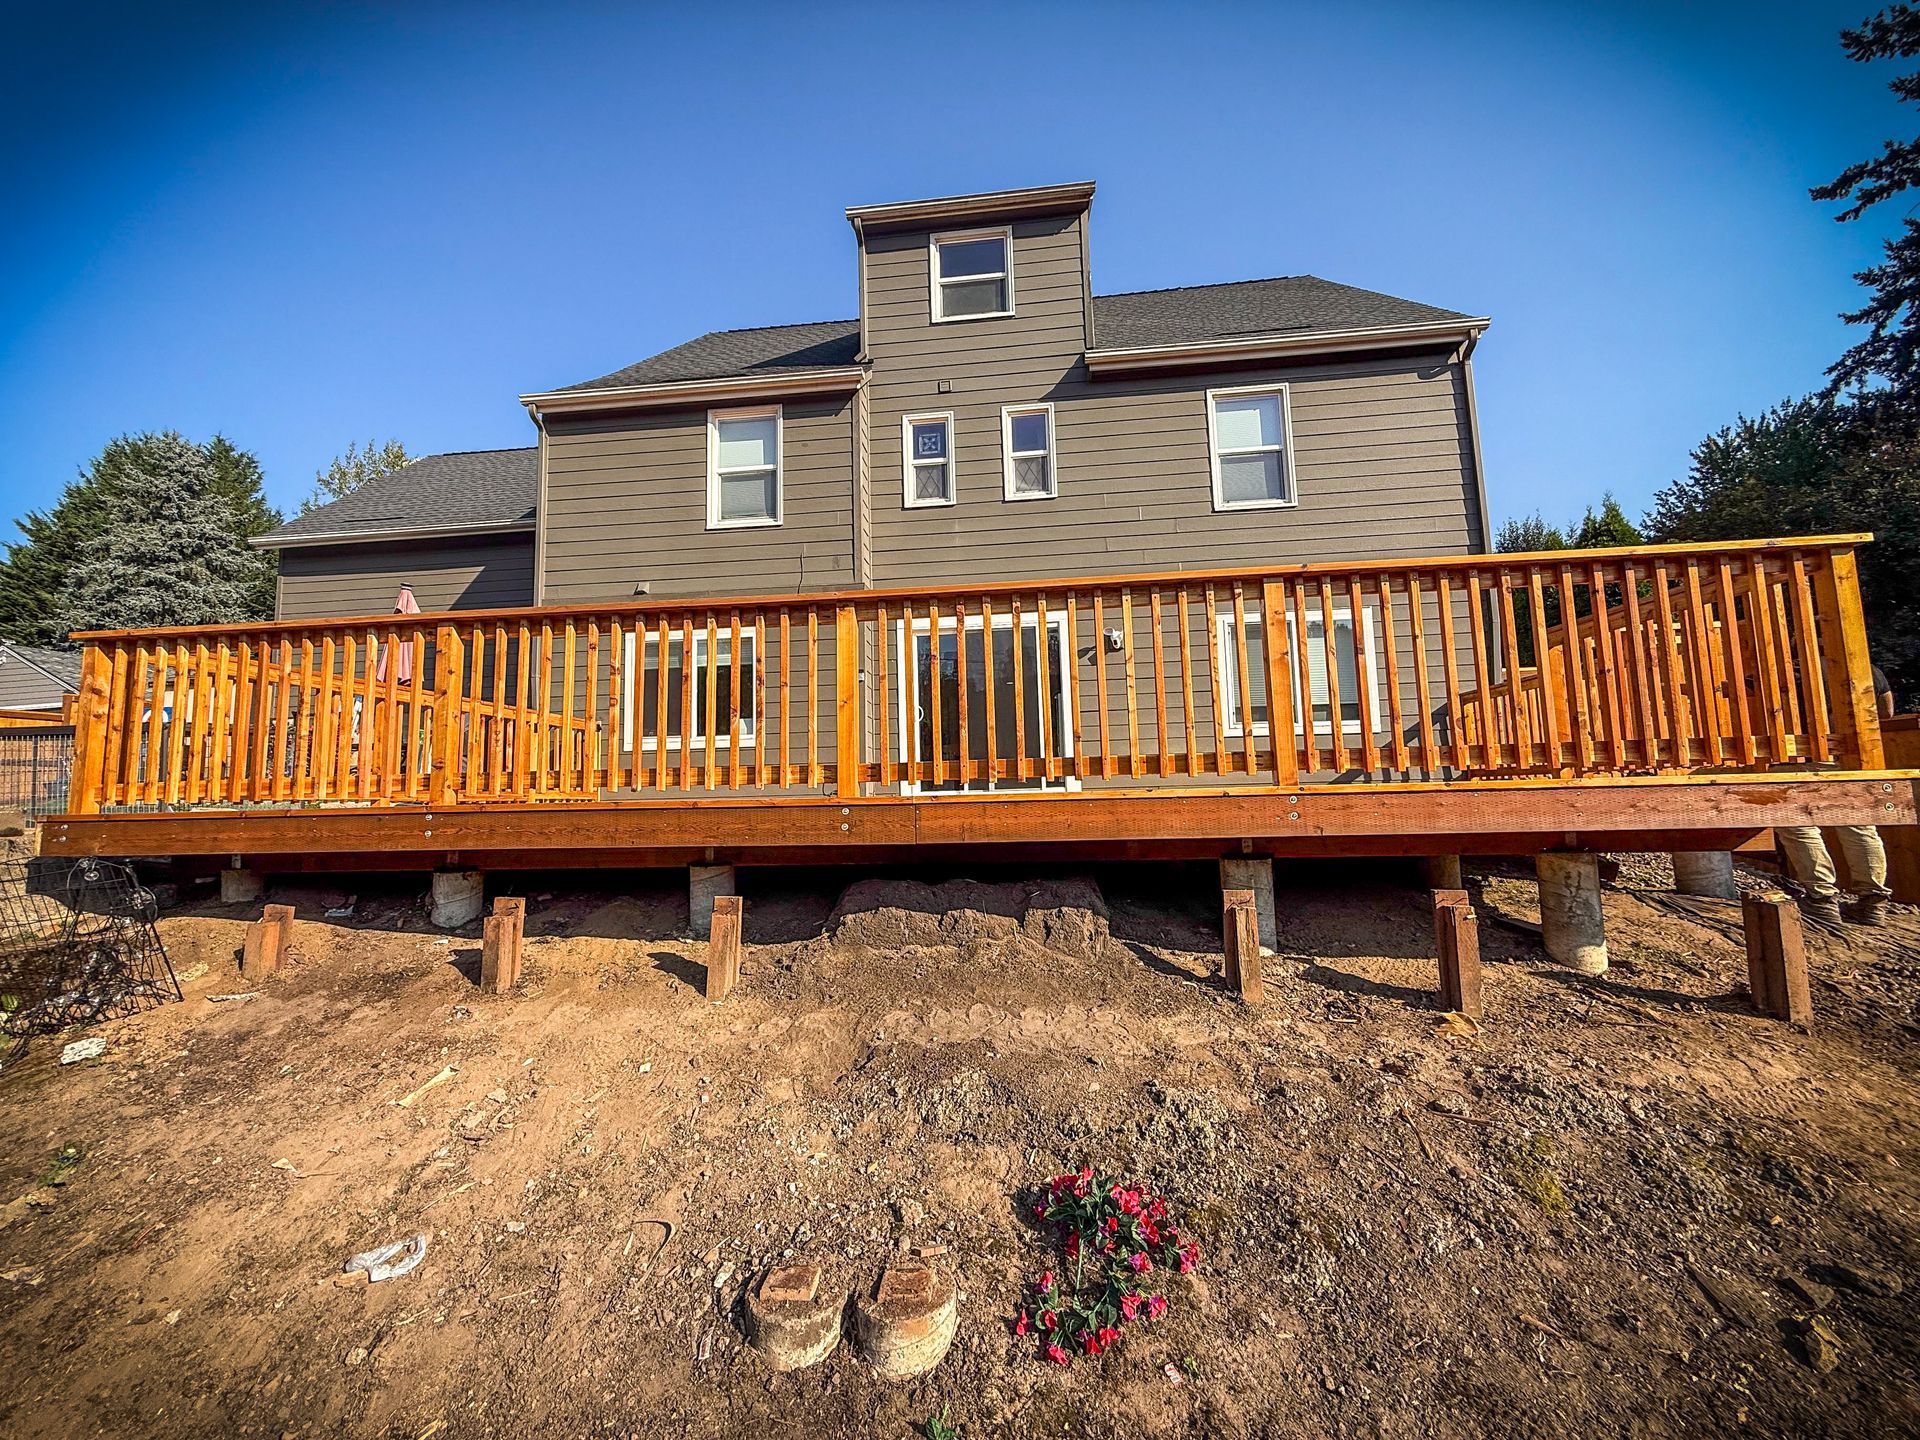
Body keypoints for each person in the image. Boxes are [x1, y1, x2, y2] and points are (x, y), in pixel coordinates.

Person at [1777, 665, 1895, 927]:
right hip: (1849, 757)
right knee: (1858, 826)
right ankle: (1872, 902)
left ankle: (1821, 900)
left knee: (1799, 827)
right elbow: (1886, 712)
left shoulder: (1779, 668)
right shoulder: (1866, 667)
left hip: (1793, 754)